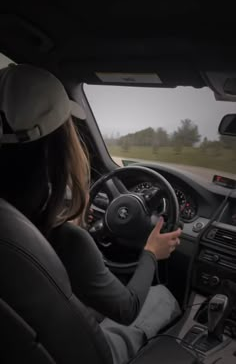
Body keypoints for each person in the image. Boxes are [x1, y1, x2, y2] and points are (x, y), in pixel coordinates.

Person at [0, 63, 182, 364]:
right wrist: (151, 252)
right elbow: (127, 308)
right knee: (161, 295)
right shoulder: (66, 240)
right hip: (95, 355)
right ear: (57, 150)